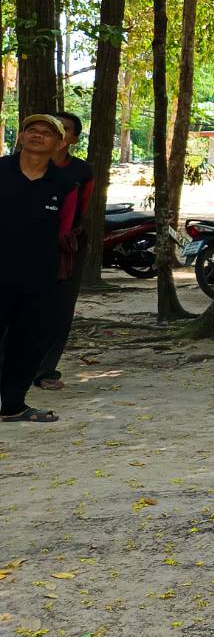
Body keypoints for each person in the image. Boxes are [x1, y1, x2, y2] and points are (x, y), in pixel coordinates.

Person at [2, 115, 79, 423]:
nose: (37, 135)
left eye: (47, 132)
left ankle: (12, 406)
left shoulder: (65, 185)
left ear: (60, 143)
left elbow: (64, 230)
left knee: (28, 341)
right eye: (31, 130)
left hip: (38, 276)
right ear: (21, 137)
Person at [34, 112, 95, 391]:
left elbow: (82, 208)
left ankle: (46, 371)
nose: (57, 133)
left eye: (65, 129)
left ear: (73, 139)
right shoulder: (15, 166)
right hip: (21, 245)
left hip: (66, 247)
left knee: (60, 310)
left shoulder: (80, 172)